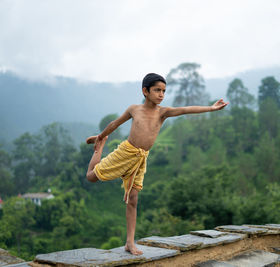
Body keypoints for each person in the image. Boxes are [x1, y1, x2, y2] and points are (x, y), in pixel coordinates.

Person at [86, 73, 228, 255]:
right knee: (91, 177)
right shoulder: (134, 109)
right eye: (157, 90)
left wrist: (211, 108)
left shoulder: (163, 112)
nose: (161, 94)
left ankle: (130, 242)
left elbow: (185, 110)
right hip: (126, 152)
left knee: (133, 199)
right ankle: (100, 149)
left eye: (163, 91)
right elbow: (115, 123)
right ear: (145, 91)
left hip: (141, 158)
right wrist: (100, 137)